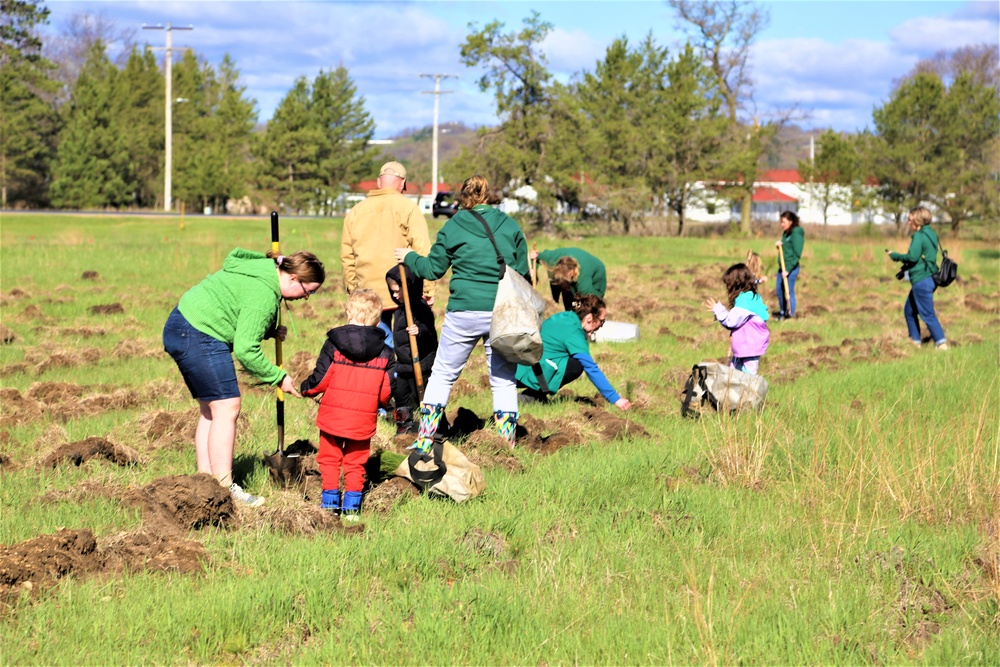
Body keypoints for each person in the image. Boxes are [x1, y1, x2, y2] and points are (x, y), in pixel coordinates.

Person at [163, 248, 325, 507]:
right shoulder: (263, 293)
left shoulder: (262, 269)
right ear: (293, 278)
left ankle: (206, 482)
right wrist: (278, 377)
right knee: (228, 406)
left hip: (181, 324)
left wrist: (267, 329)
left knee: (212, 408)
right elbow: (246, 350)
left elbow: (236, 283)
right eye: (308, 291)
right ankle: (224, 487)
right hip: (198, 333)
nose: (306, 298)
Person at [393, 174, 529, 450]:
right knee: (503, 381)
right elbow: (523, 275)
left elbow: (432, 269)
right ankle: (506, 445)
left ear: (463, 198)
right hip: (502, 312)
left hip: (464, 311)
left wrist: (408, 257)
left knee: (443, 374)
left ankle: (425, 441)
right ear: (489, 195)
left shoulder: (454, 226)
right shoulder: (510, 226)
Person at [300, 289, 394, 523]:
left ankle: (330, 505)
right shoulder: (386, 352)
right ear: (378, 320)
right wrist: (381, 404)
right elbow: (386, 393)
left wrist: (305, 389)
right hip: (363, 421)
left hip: (332, 417)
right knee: (356, 462)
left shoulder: (333, 345)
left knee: (330, 459)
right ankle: (352, 509)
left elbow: (320, 380)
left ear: (347, 314)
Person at [341, 161, 435, 343]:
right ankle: (396, 370)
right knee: (405, 344)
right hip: (403, 290)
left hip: (368, 291)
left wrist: (354, 291)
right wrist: (428, 288)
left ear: (378, 182)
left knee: (377, 344)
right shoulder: (408, 208)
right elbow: (422, 249)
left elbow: (347, 257)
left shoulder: (355, 212)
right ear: (402, 183)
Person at [514, 294, 632, 410]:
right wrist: (615, 398)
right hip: (527, 371)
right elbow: (590, 367)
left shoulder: (567, 317)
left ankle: (535, 395)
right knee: (576, 366)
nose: (601, 326)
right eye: (602, 321)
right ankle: (531, 396)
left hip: (519, 365)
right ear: (590, 318)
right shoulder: (574, 332)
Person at [385, 264, 438, 432]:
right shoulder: (400, 311)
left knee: (423, 397)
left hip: (420, 364)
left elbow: (430, 332)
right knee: (401, 396)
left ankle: (436, 427)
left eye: (397, 290)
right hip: (403, 363)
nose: (394, 295)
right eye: (392, 291)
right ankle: (403, 425)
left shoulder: (421, 308)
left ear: (409, 287)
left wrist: (419, 330)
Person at [887, 206, 948, 350]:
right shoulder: (931, 234)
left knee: (927, 314)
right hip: (930, 278)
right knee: (909, 310)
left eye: (910, 219)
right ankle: (914, 343)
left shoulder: (918, 236)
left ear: (918, 221)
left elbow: (913, 257)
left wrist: (895, 256)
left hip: (922, 280)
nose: (908, 222)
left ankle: (941, 344)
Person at [704, 263, 770, 375]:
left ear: (736, 284)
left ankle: (745, 392)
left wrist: (718, 309)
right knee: (736, 373)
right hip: (750, 345)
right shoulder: (752, 297)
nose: (727, 287)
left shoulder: (743, 302)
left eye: (728, 284)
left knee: (746, 377)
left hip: (749, 346)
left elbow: (731, 322)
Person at [530, 247, 607, 310]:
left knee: (589, 306)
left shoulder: (583, 281)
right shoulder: (551, 258)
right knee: (569, 302)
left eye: (565, 285)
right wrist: (533, 272)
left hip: (596, 275)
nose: (564, 287)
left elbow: (588, 302)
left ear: (571, 273)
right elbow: (534, 255)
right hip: (574, 271)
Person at [774, 210, 804, 319]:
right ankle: (783, 312)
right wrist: (780, 245)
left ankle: (790, 314)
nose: (782, 225)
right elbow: (787, 247)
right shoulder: (786, 233)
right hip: (782, 267)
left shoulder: (796, 233)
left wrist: (788, 269)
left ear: (790, 221)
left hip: (791, 268)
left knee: (788, 291)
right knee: (779, 290)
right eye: (781, 222)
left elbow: (796, 253)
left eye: (783, 222)